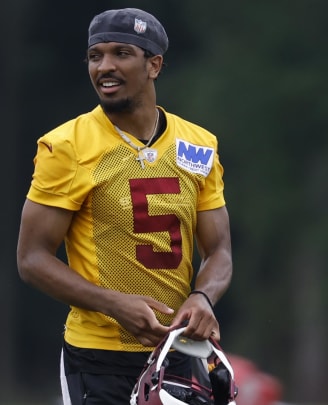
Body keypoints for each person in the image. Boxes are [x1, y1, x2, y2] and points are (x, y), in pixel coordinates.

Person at [16, 8, 233, 404]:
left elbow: (218, 251)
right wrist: (115, 304)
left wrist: (202, 298)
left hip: (176, 353)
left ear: (154, 64)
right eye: (95, 56)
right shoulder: (65, 146)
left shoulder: (198, 145)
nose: (105, 67)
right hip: (98, 360)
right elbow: (31, 258)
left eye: (121, 53)